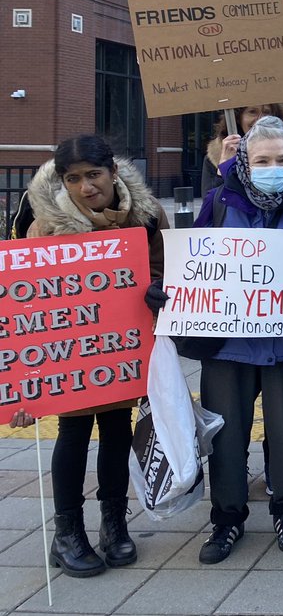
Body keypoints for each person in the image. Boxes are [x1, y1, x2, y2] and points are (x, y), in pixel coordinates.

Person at [8, 135, 168, 577]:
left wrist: (156, 289)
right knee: (74, 433)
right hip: (73, 356)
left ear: (113, 173)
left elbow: (166, 267)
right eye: (73, 178)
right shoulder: (45, 224)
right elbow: (25, 301)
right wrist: (22, 387)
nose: (85, 187)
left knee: (117, 432)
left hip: (123, 351)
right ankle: (68, 532)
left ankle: (114, 524)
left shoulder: (148, 217)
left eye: (93, 175)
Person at [191, 116, 283, 564]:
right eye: (263, 159)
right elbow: (194, 260)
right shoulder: (219, 202)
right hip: (229, 343)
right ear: (244, 160)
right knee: (226, 435)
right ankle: (227, 519)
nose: (273, 166)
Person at [200, 104, 283, 199]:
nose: (260, 119)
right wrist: (224, 166)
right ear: (238, 118)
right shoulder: (216, 155)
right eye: (252, 112)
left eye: (267, 112)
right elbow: (210, 204)